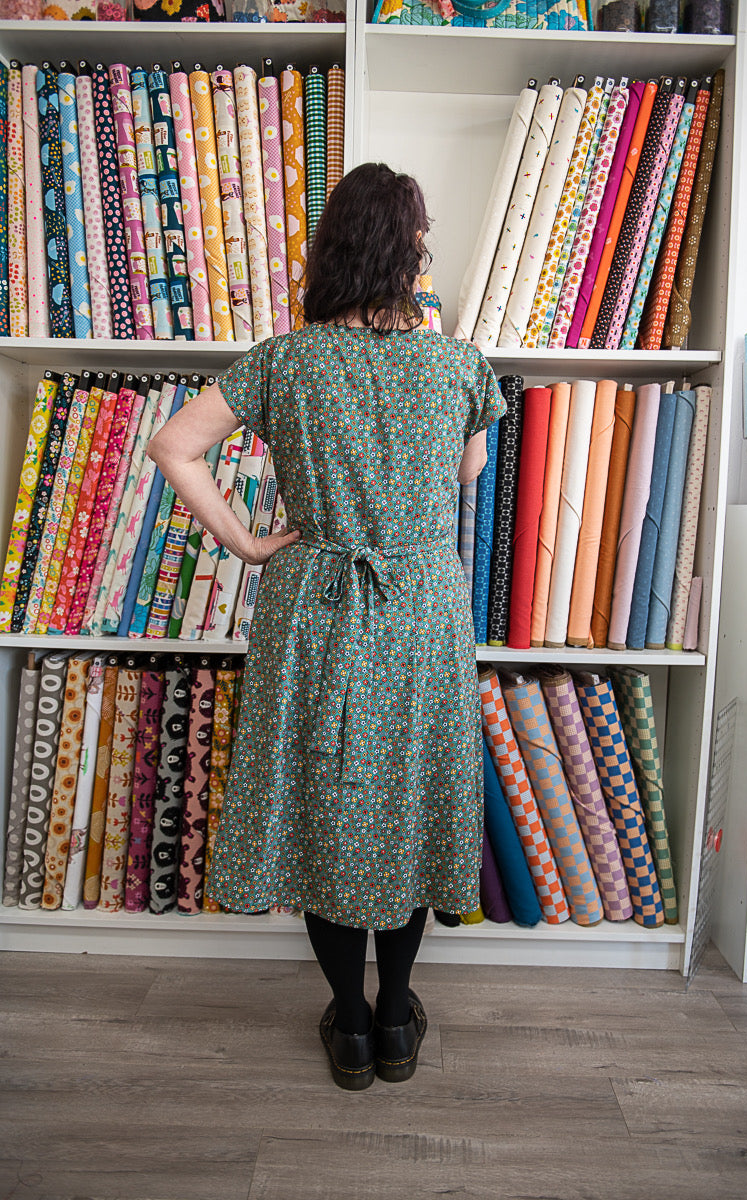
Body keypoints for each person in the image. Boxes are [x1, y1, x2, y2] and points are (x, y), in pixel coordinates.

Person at [148, 162, 506, 1091]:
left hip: (313, 607)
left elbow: (172, 446)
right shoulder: (459, 364)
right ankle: (395, 1018)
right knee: (410, 805)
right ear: (409, 253)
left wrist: (251, 544)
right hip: (418, 608)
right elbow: (466, 472)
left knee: (321, 809)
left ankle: (348, 1028)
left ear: (335, 250)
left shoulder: (284, 359)